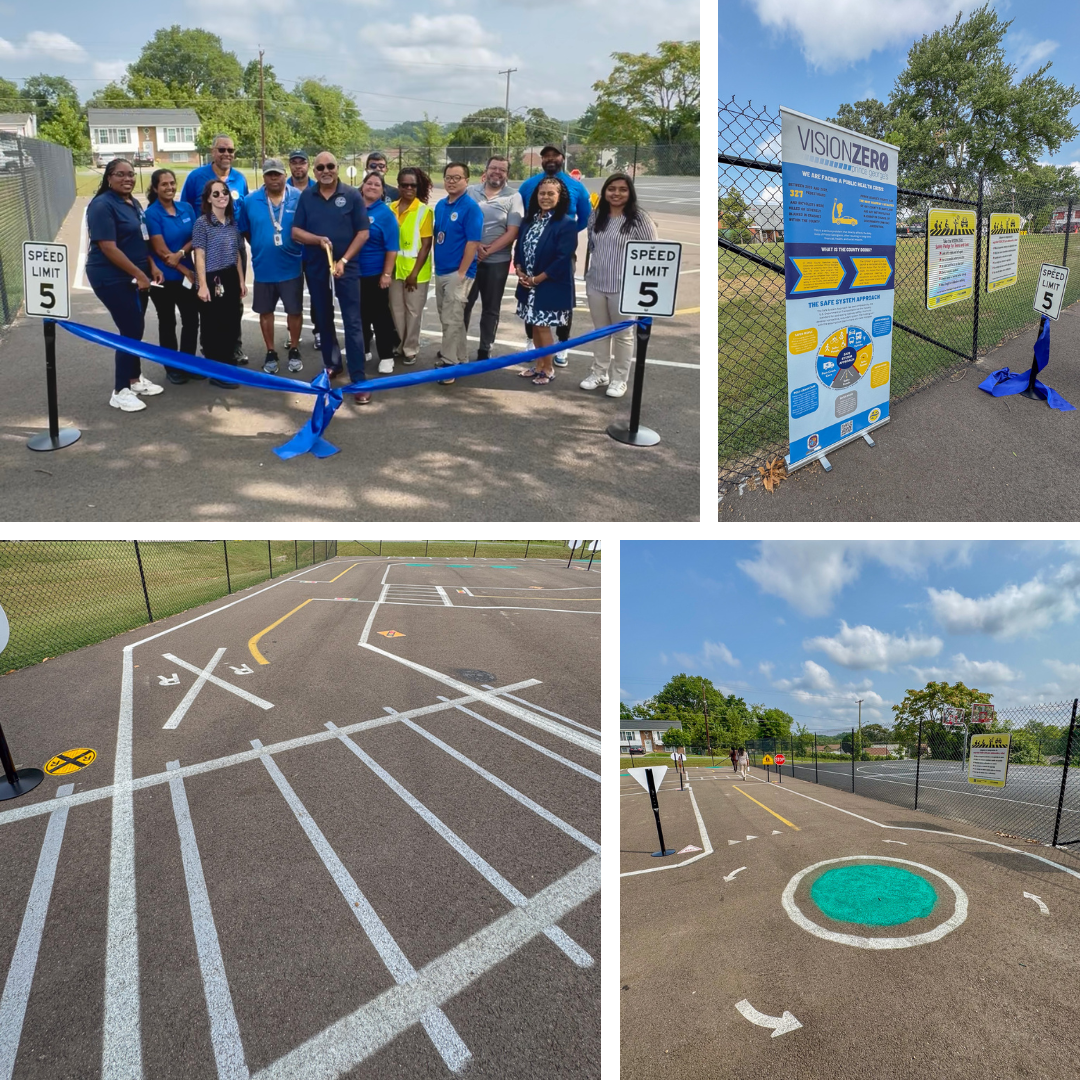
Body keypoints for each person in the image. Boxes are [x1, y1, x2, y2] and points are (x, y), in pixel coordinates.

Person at [291, 152, 372, 404]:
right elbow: (295, 231)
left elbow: (363, 233)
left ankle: (358, 378)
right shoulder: (308, 195)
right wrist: (317, 240)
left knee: (352, 321)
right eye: (320, 167)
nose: (325, 170)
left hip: (346, 268)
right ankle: (333, 364)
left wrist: (344, 260)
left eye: (330, 166)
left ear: (338, 168)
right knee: (323, 317)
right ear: (314, 172)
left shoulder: (351, 195)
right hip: (317, 266)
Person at [85, 158, 165, 412]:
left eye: (130, 174)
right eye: (120, 174)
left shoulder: (133, 203)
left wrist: (150, 266)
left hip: (136, 275)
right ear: (109, 177)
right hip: (111, 276)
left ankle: (134, 379)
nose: (127, 179)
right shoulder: (101, 205)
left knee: (135, 327)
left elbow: (141, 239)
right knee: (130, 328)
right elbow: (108, 247)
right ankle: (120, 390)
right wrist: (138, 274)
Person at [581, 172, 658, 399]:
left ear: (630, 192)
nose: (616, 193)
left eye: (622, 189)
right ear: (605, 191)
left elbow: (651, 254)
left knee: (623, 335)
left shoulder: (639, 219)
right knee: (600, 332)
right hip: (596, 284)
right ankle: (599, 372)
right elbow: (593, 246)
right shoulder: (596, 216)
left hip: (625, 288)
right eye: (611, 189)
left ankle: (619, 379)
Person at [517, 146, 592, 366]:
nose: (550, 159)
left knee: (559, 304)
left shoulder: (576, 186)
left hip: (558, 254)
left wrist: (558, 236)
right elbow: (521, 220)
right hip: (533, 256)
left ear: (562, 158)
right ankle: (534, 345)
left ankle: (562, 344)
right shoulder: (529, 185)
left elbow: (585, 218)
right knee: (533, 311)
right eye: (546, 156)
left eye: (554, 155)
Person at [181, 134, 250, 364]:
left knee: (233, 305)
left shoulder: (240, 179)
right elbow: (186, 210)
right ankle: (212, 355)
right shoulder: (196, 177)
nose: (226, 154)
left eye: (230, 150)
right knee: (211, 309)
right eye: (222, 150)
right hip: (208, 253)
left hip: (233, 248)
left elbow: (245, 213)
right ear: (213, 151)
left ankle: (233, 348)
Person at [237, 159, 304, 375]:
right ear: (264, 177)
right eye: (270, 174)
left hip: (292, 266)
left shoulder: (298, 197)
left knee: (294, 310)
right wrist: (260, 244)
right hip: (264, 267)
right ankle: (271, 351)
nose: (274, 178)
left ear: (286, 175)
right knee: (266, 311)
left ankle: (294, 348)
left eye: (278, 174)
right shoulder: (250, 201)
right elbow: (245, 230)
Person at [512, 176, 576, 387]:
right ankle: (539, 365)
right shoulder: (529, 220)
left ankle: (548, 369)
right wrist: (519, 269)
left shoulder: (565, 223)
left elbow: (562, 258)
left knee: (543, 326)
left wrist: (537, 278)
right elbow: (519, 247)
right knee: (535, 325)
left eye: (551, 193)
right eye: (542, 193)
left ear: (560, 197)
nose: (545, 197)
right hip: (528, 283)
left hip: (549, 284)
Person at [144, 168, 201, 386]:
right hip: (163, 279)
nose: (169, 187)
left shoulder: (185, 208)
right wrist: (185, 269)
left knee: (191, 319)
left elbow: (196, 237)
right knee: (167, 322)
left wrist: (182, 254)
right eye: (164, 184)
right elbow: (160, 250)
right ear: (156, 188)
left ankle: (187, 363)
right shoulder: (151, 214)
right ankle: (172, 367)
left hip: (185, 273)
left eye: (172, 183)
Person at [464, 156, 523, 360]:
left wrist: (486, 251)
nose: (497, 172)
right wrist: (475, 247)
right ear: (486, 169)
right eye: (493, 168)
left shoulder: (514, 196)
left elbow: (512, 231)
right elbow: (461, 222)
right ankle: (456, 345)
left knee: (491, 308)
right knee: (463, 304)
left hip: (497, 262)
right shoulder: (471, 191)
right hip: (469, 260)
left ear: (507, 174)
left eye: (502, 170)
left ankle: (484, 349)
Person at [192, 178, 246, 388]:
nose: (221, 196)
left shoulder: (233, 222)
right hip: (212, 277)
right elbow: (200, 254)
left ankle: (229, 365)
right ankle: (217, 371)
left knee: (231, 322)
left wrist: (241, 280)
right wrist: (202, 284)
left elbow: (238, 254)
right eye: (216, 194)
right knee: (213, 325)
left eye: (224, 192)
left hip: (230, 275)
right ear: (208, 198)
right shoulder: (202, 223)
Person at [432, 162, 483, 384]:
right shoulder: (441, 206)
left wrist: (462, 272)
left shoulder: (471, 208)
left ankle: (449, 365)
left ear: (467, 181)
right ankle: (461, 358)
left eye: (457, 177)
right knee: (451, 317)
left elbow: (473, 242)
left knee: (451, 319)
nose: (452, 181)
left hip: (458, 272)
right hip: (441, 269)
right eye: (448, 177)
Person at [388, 167, 433, 368]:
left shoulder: (424, 211)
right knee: (396, 310)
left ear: (418, 187)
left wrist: (414, 273)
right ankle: (400, 345)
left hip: (416, 272)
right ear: (398, 186)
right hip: (395, 269)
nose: (408, 188)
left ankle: (410, 349)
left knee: (413, 312)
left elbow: (426, 245)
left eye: (412, 185)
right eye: (404, 184)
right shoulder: (390, 209)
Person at [357, 171, 401, 372]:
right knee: (360, 314)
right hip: (354, 272)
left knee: (380, 316)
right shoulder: (354, 208)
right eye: (369, 183)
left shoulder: (385, 214)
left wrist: (386, 274)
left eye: (377, 184)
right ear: (363, 186)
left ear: (383, 191)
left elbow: (392, 247)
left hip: (376, 274)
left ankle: (386, 356)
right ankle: (363, 349)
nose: (372, 187)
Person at [286, 150, 319, 349]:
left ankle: (319, 331)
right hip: (290, 253)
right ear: (289, 165)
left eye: (302, 162)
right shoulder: (282, 186)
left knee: (318, 295)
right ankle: (293, 335)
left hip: (314, 252)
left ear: (308, 165)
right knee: (292, 296)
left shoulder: (318, 187)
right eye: (294, 162)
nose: (298, 166)